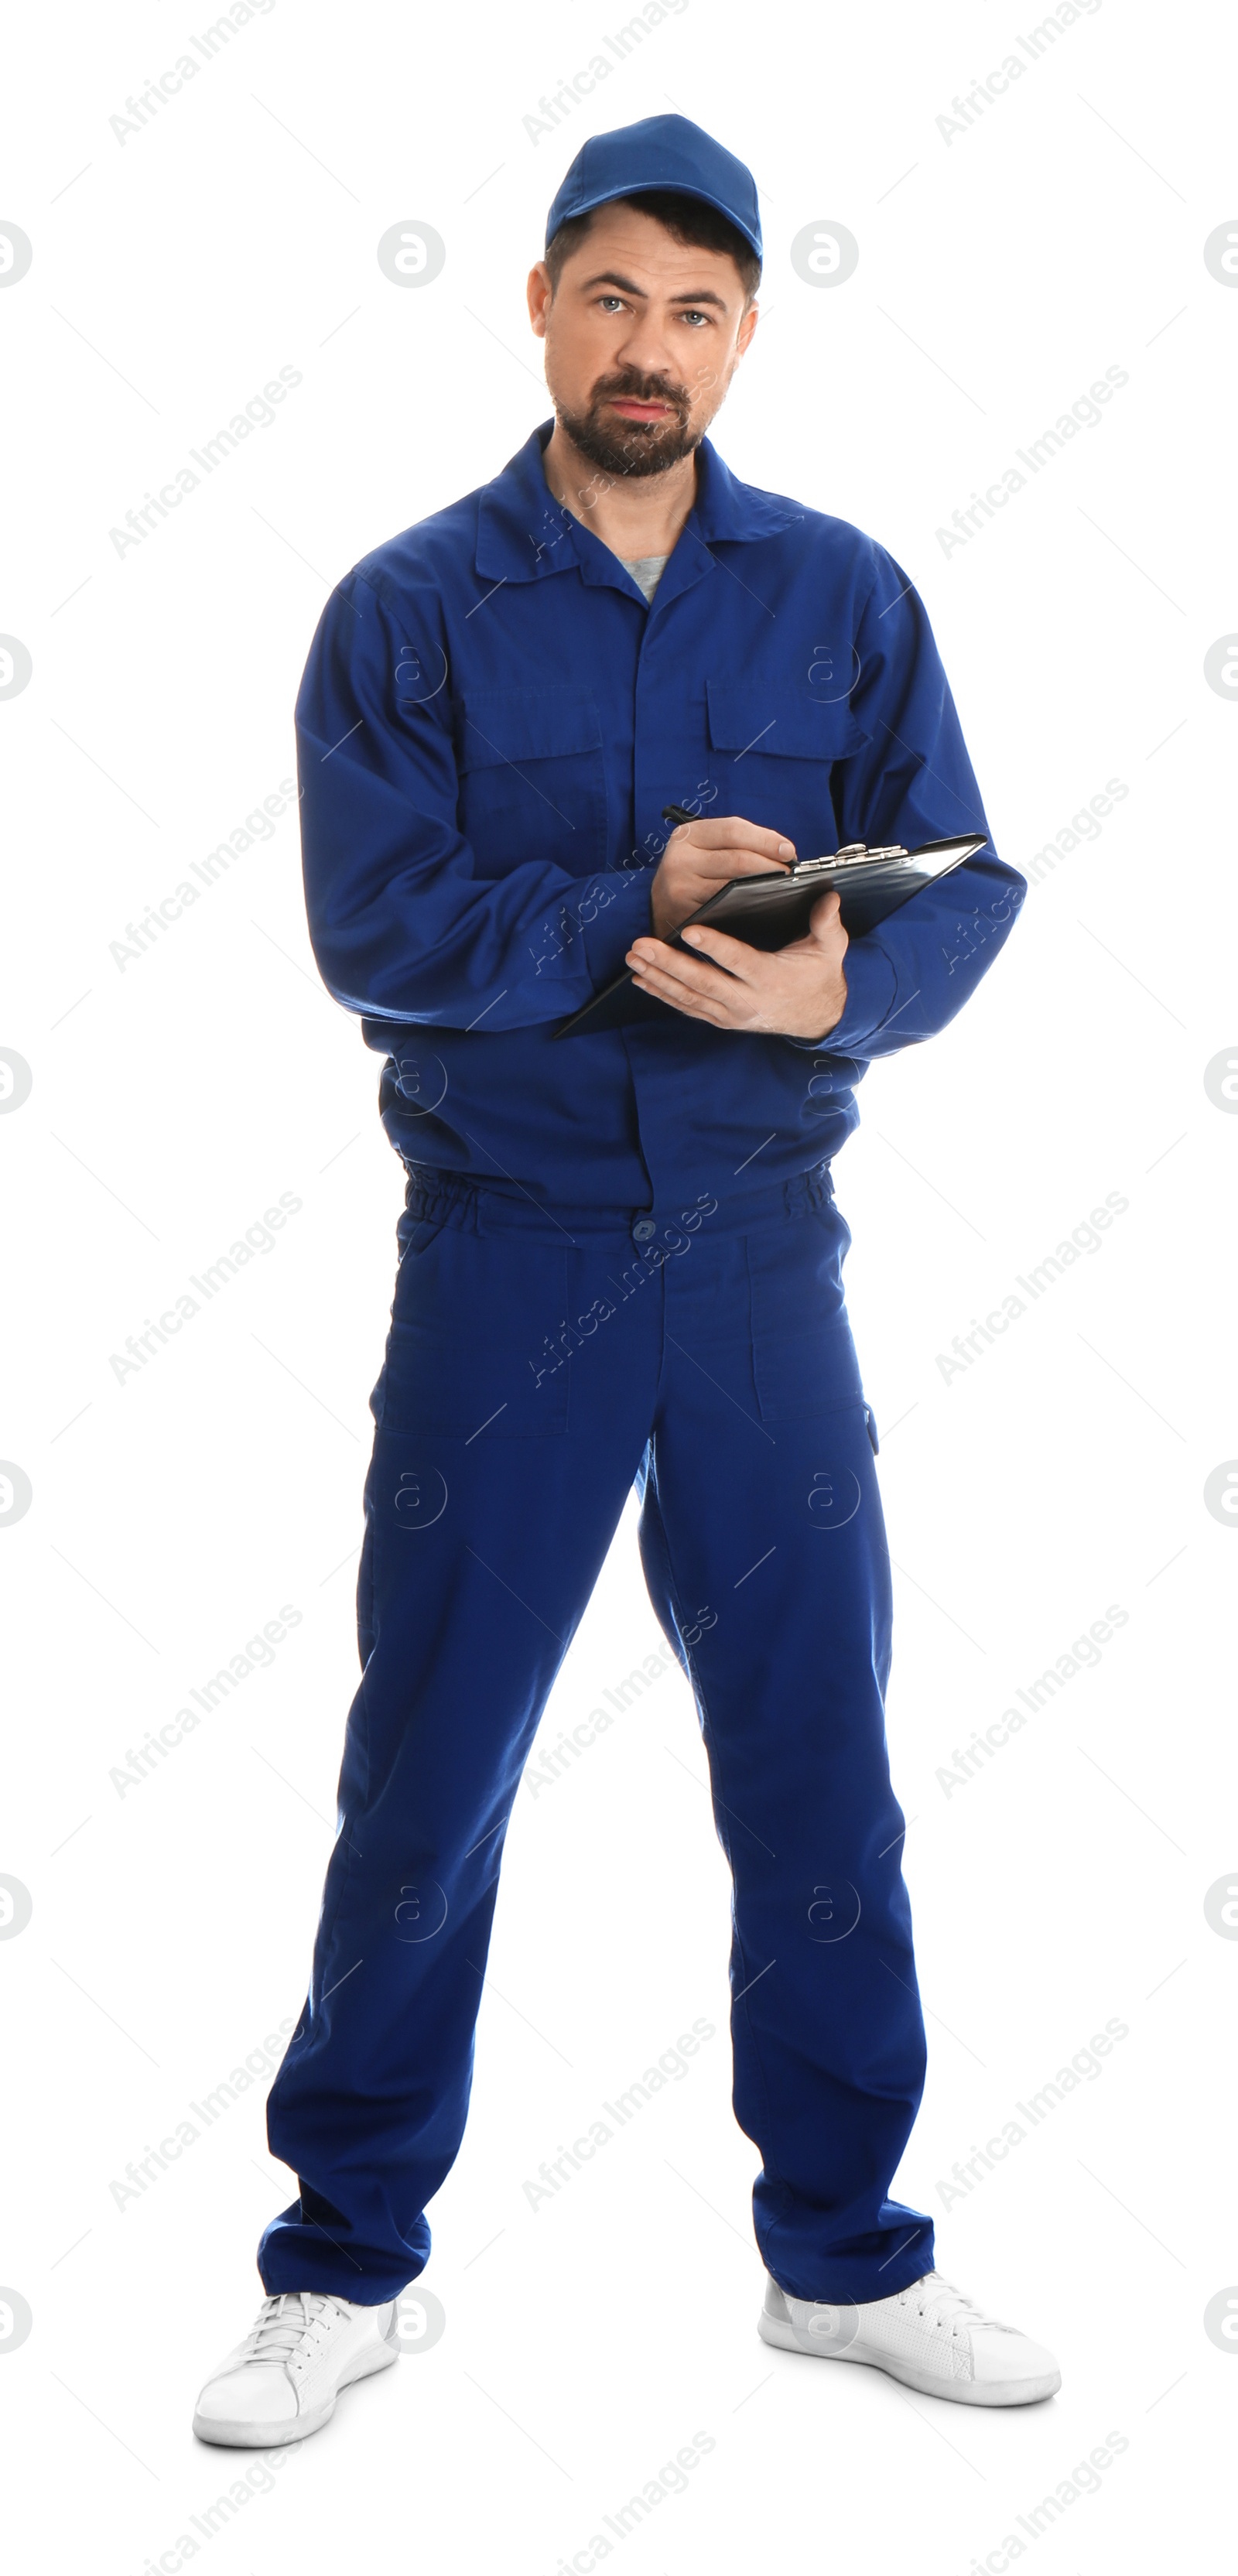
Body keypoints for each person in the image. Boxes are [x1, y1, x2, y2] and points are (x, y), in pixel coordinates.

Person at [193, 112, 1057, 2449]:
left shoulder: (848, 593)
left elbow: (970, 880)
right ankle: (344, 2261)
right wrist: (623, 901)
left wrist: (837, 989)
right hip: (515, 1259)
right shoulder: (406, 606)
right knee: (434, 1761)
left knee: (819, 1763)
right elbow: (376, 928)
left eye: (698, 306)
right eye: (613, 297)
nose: (650, 345)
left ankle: (847, 2253)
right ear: (544, 305)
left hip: (767, 1268)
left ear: (748, 330)